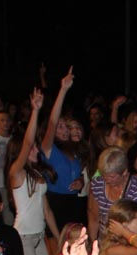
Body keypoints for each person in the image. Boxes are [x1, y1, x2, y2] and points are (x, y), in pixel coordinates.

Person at [9, 89, 60, 255]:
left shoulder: (38, 177)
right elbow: (29, 141)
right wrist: (36, 111)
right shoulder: (17, 173)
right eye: (31, 149)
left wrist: (58, 236)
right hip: (24, 237)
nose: (35, 151)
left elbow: (47, 210)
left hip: (39, 237)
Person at [39, 67, 87, 230]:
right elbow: (52, 121)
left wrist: (81, 180)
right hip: (55, 202)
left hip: (74, 202)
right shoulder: (49, 149)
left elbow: (87, 172)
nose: (64, 130)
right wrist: (63, 90)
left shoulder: (75, 150)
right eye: (60, 127)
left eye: (66, 126)